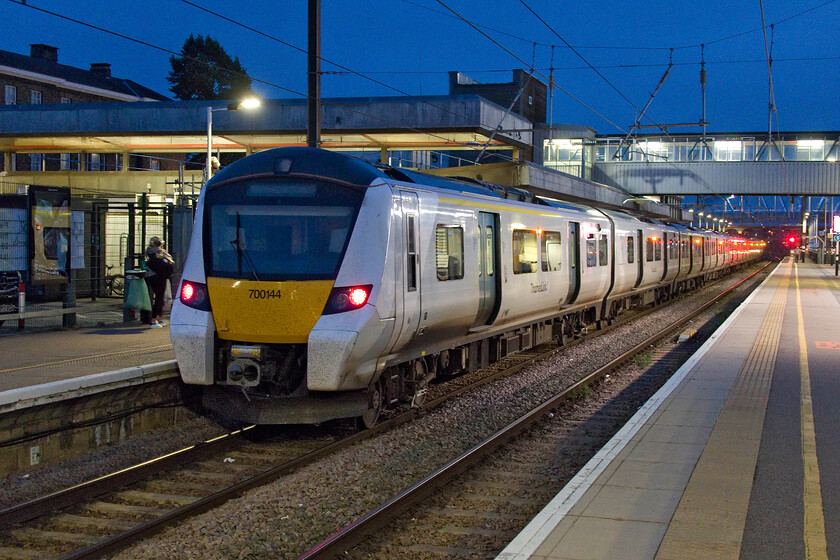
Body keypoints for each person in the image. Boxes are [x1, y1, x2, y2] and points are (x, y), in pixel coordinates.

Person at [145, 236, 174, 328]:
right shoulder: (161, 252)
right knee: (159, 298)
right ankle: (154, 319)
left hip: (151, 277)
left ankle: (160, 318)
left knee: (157, 297)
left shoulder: (148, 252)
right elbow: (171, 261)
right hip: (160, 277)